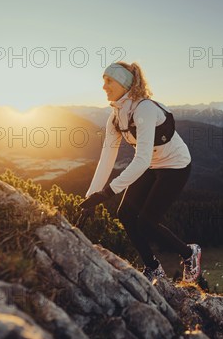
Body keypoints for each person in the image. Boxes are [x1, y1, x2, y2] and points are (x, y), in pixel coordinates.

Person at [78, 61, 202, 284]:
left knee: (146, 221)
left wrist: (107, 192)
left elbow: (141, 158)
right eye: (103, 82)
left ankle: (189, 252)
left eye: (109, 81)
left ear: (124, 83)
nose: (104, 87)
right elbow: (107, 156)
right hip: (151, 165)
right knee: (125, 214)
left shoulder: (144, 109)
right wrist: (91, 196)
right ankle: (153, 267)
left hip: (175, 166)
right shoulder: (115, 117)